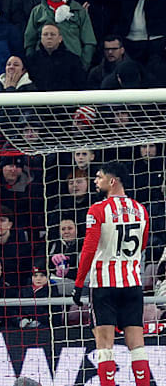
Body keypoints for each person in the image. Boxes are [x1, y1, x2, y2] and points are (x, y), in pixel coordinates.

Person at [73, 161, 151, 386]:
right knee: (137, 344)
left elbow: (88, 249)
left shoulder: (97, 209)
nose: (96, 181)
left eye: (99, 177)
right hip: (132, 283)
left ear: (112, 181)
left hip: (104, 284)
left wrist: (79, 284)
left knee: (104, 344)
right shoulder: (141, 209)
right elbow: (143, 245)